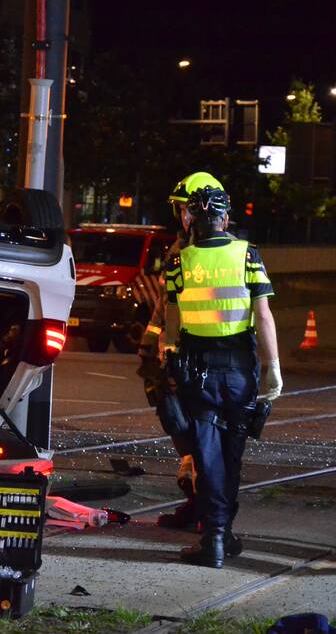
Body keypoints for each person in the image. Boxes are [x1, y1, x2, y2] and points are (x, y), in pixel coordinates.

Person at [163, 186, 282, 568]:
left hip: (198, 370)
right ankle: (223, 533)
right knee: (232, 454)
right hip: (240, 370)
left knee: (208, 455)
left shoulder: (179, 262)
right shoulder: (248, 255)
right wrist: (274, 366)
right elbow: (263, 316)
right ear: (226, 218)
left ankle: (215, 537)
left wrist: (167, 356)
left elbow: (170, 323)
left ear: (191, 220)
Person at [140, 172, 225, 530]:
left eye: (182, 210)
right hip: (181, 356)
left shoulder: (211, 253)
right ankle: (198, 503)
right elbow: (164, 307)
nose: (180, 217)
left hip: (206, 358)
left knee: (207, 437)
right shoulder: (179, 249)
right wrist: (150, 350)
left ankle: (210, 514)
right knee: (181, 427)